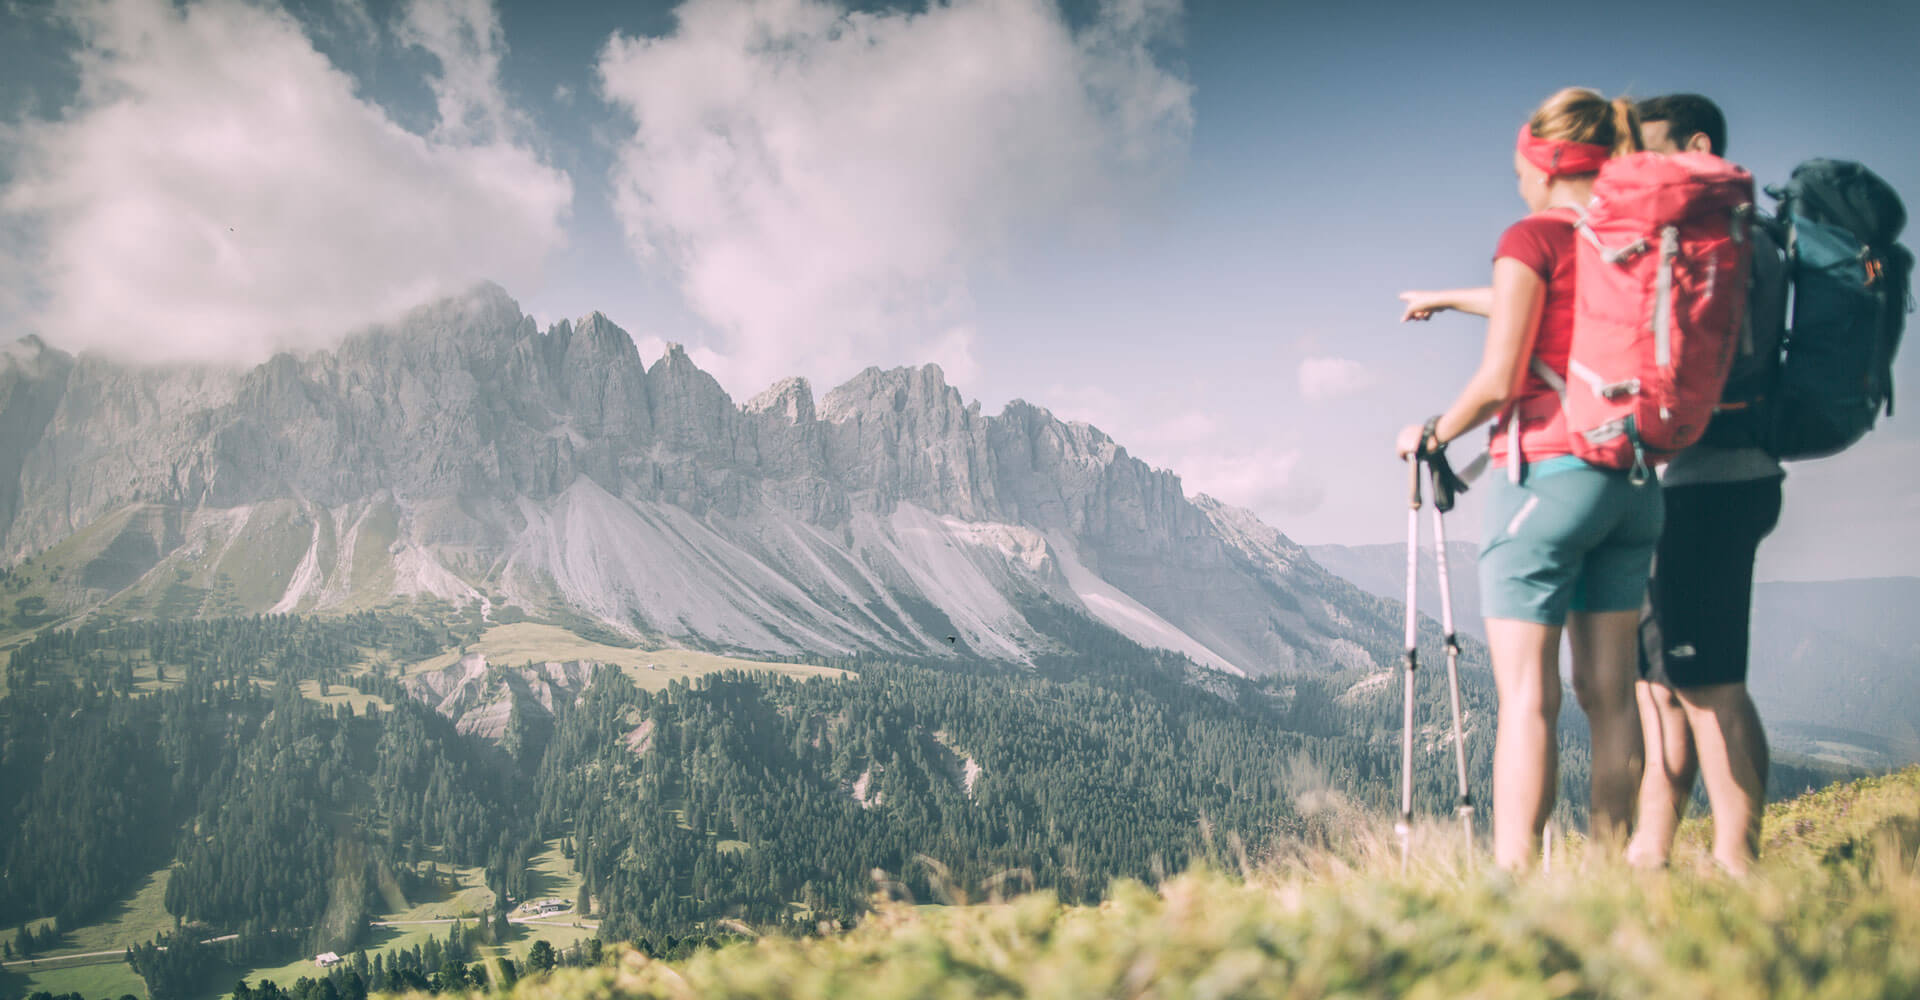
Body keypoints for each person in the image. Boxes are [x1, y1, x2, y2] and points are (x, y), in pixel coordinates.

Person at [1393, 87, 1655, 869]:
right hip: (1633, 481)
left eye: (1519, 171)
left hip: (1542, 477)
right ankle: (1610, 875)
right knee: (1611, 697)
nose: (1517, 186)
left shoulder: (1532, 234)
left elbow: (1501, 377)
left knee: (1528, 701)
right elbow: (1554, 310)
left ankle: (1514, 887)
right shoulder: (1637, 241)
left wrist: (1432, 433)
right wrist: (1447, 297)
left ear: (1546, 163)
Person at [1623, 94, 1785, 875]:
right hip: (1710, 478)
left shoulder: (1719, 242)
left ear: (1695, 144)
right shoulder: (1744, 239)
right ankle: (1650, 855)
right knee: (1661, 682)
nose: (1641, 169)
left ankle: (1737, 864)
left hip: (1710, 479)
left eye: (1651, 152)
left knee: (1704, 679)